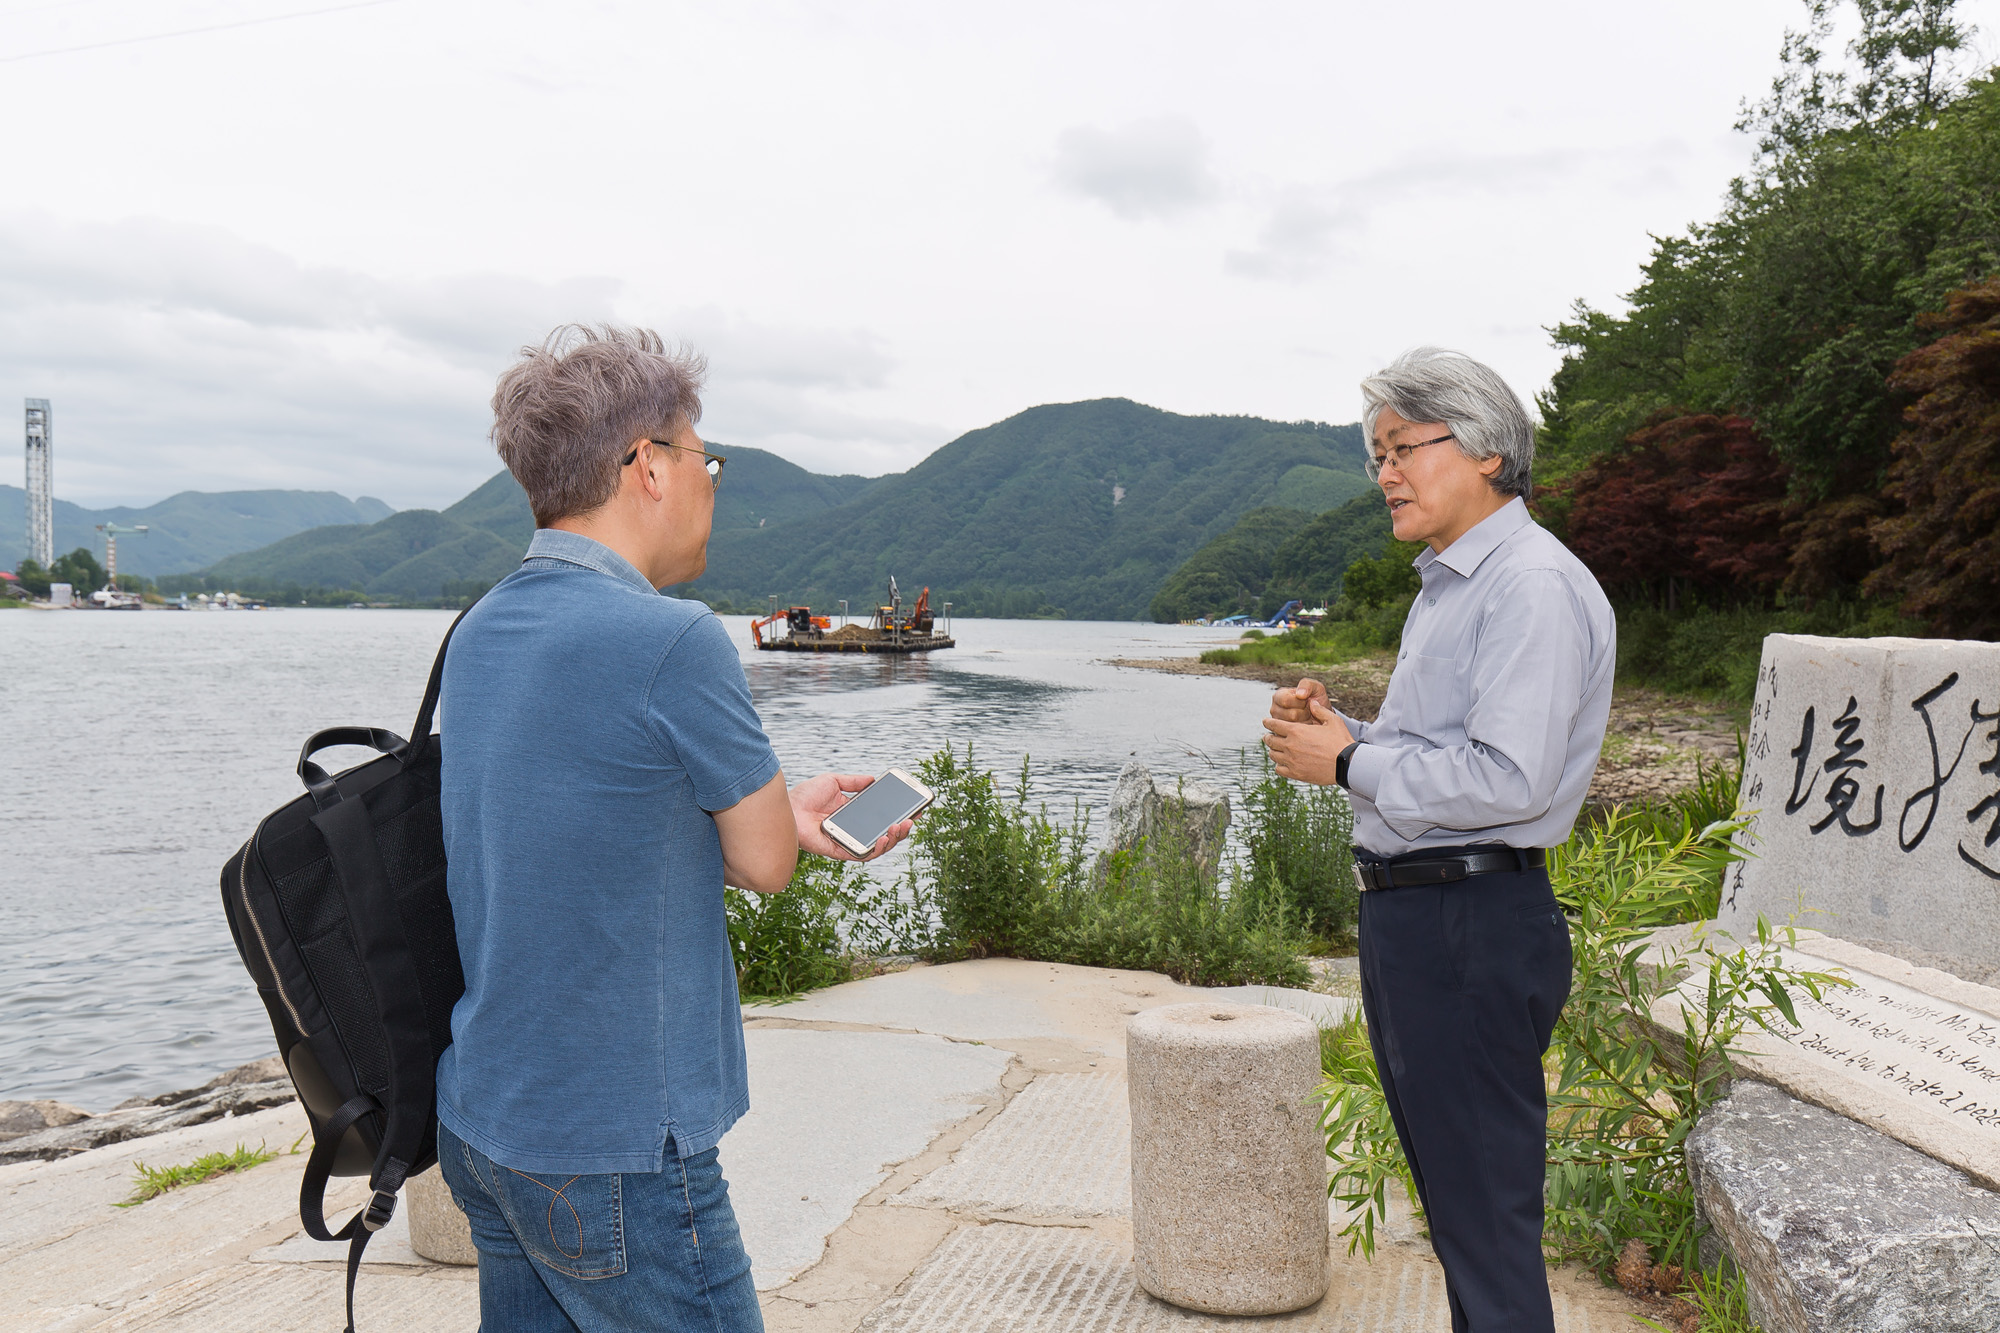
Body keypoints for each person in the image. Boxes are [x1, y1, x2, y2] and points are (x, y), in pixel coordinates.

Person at [434, 324, 911, 1332]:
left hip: (486, 1119)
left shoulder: (481, 628)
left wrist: (779, 812)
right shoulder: (672, 638)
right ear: (647, 467)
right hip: (613, 1144)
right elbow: (763, 865)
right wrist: (786, 826)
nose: (710, 481)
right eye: (706, 459)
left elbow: (588, 825)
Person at [1262, 347, 1613, 1333]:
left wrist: (1340, 764)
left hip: (1469, 918)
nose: (1383, 474)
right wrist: (1351, 735)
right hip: (1429, 918)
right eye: (1376, 453)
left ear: (1488, 452)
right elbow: (1441, 754)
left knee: (1486, 1234)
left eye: (1401, 448)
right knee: (1463, 1220)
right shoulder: (1451, 585)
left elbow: (1509, 780)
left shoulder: (1527, 587)